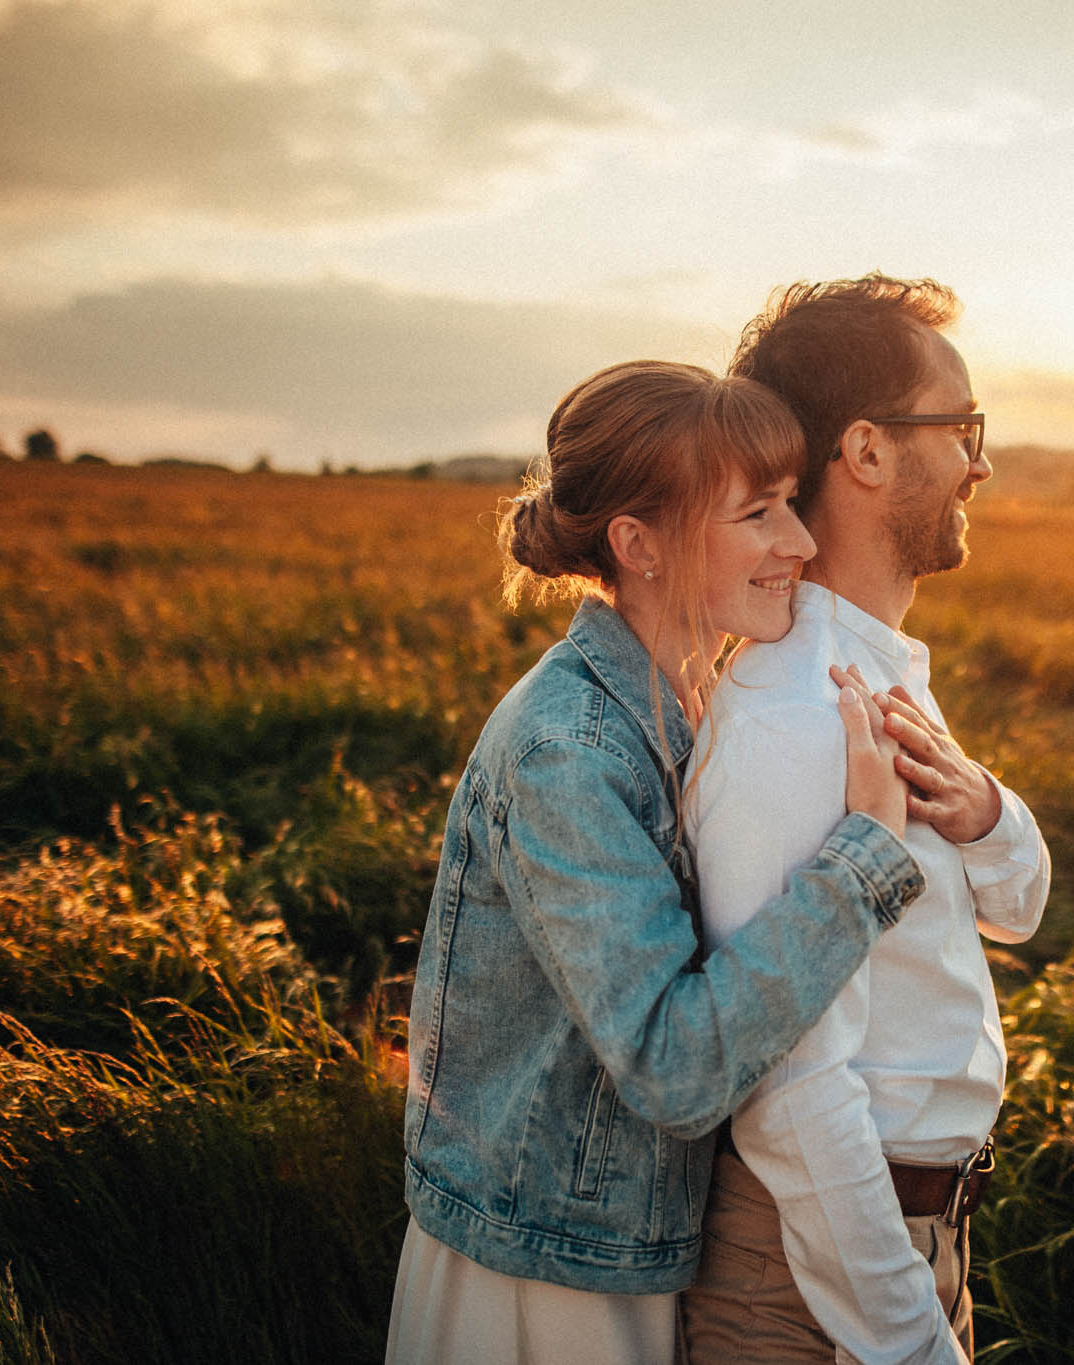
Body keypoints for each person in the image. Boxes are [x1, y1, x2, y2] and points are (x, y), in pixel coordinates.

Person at [387, 359, 931, 1365]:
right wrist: (864, 856)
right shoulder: (570, 752)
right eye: (758, 514)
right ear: (638, 544)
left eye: (791, 507)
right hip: (542, 1270)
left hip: (612, 1243)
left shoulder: (682, 702)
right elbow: (671, 1067)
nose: (800, 544)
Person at [680, 277, 1052, 1363]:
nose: (980, 462)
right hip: (813, 1278)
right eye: (962, 427)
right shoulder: (794, 716)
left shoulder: (876, 677)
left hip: (910, 1245)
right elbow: (789, 1096)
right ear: (868, 451)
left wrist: (987, 811)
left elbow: (1016, 909)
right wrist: (909, 1344)